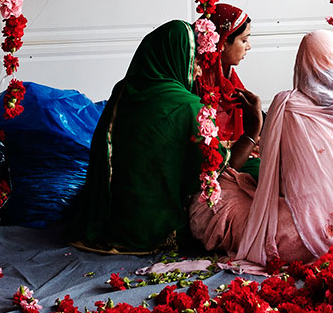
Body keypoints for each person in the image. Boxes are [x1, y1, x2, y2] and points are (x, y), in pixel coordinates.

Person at [190, 30, 333, 267]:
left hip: (296, 239)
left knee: (209, 200)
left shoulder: (288, 105)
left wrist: (255, 127)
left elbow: (276, 178)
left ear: (301, 62)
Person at [75, 20, 259, 253]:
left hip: (109, 217)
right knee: (254, 170)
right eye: (194, 59)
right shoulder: (184, 106)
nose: (199, 69)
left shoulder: (123, 90)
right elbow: (220, 166)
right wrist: (254, 130)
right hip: (151, 226)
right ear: (176, 57)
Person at [194, 4, 256, 154]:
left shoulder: (227, 76)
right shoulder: (199, 81)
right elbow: (198, 141)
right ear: (223, 42)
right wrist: (242, 142)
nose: (249, 47)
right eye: (244, 40)